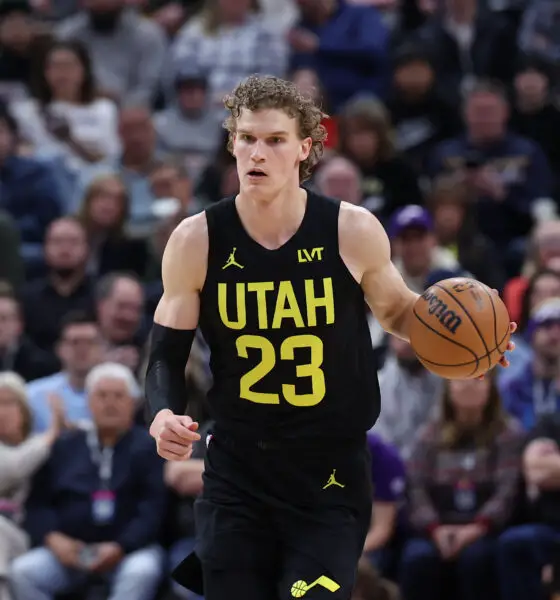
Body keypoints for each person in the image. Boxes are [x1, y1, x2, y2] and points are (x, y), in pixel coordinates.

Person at [144, 75, 515, 600]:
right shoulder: (195, 239)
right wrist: (162, 413)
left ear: (304, 148)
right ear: (232, 144)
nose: (257, 152)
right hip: (239, 469)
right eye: (247, 137)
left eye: (274, 140)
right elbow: (165, 353)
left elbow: (400, 312)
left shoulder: (351, 229)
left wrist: (477, 343)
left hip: (329, 472)